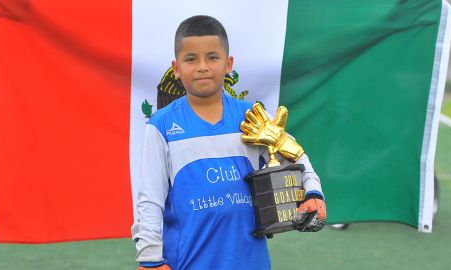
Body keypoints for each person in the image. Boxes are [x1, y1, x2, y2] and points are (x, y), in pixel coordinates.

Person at [132, 15, 326, 270]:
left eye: (212, 57)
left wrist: (313, 192)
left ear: (228, 64)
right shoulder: (162, 125)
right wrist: (150, 259)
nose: (202, 66)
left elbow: (298, 158)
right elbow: (150, 199)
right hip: (187, 261)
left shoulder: (252, 117)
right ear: (176, 68)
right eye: (191, 59)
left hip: (250, 261)